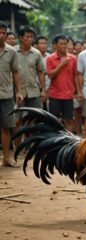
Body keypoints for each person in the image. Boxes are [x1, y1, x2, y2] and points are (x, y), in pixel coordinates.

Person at [0, 21, 23, 167]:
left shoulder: (11, 52)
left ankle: (6, 158)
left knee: (6, 127)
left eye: (3, 32)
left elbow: (15, 72)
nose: (1, 35)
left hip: (5, 95)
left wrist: (19, 91)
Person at [46, 34, 77, 132]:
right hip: (55, 95)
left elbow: (75, 76)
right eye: (61, 44)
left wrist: (78, 91)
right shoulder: (50, 58)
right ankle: (54, 144)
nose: (63, 46)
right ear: (55, 45)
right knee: (54, 121)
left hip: (68, 95)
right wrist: (61, 65)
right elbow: (50, 75)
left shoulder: (73, 58)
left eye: (65, 43)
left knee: (69, 121)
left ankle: (68, 143)